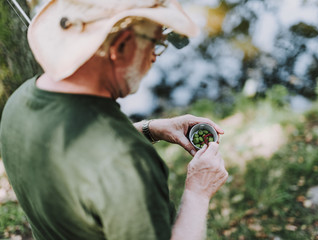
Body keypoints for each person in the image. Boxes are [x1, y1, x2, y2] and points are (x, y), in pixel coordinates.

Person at [0, 0, 228, 239]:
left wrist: (150, 129)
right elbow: (110, 162)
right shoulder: (129, 165)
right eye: (155, 43)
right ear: (120, 46)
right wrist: (197, 192)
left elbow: (80, 157)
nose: (154, 58)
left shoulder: (19, 102)